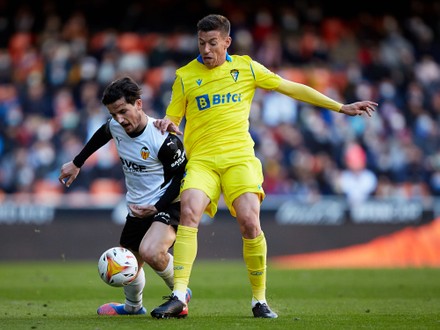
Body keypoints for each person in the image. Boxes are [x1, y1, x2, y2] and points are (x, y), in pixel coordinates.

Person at [151, 14, 378, 319]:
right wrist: (168, 123)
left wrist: (339, 107)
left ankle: (259, 300)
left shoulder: (245, 67)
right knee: (190, 211)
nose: (206, 49)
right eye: (201, 43)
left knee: (249, 222)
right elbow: (173, 117)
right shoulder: (185, 76)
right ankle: (179, 295)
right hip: (202, 160)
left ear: (226, 42)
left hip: (239, 159)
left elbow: (291, 88)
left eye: (212, 43)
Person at [58, 76, 191, 317]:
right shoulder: (116, 125)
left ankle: (180, 294)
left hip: (167, 203)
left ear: (138, 104)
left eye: (123, 111)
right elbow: (103, 132)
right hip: (138, 206)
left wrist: (157, 206)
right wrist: (77, 163)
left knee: (151, 252)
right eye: (113, 113)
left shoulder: (163, 139)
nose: (119, 118)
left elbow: (182, 178)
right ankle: (133, 308)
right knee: (127, 261)